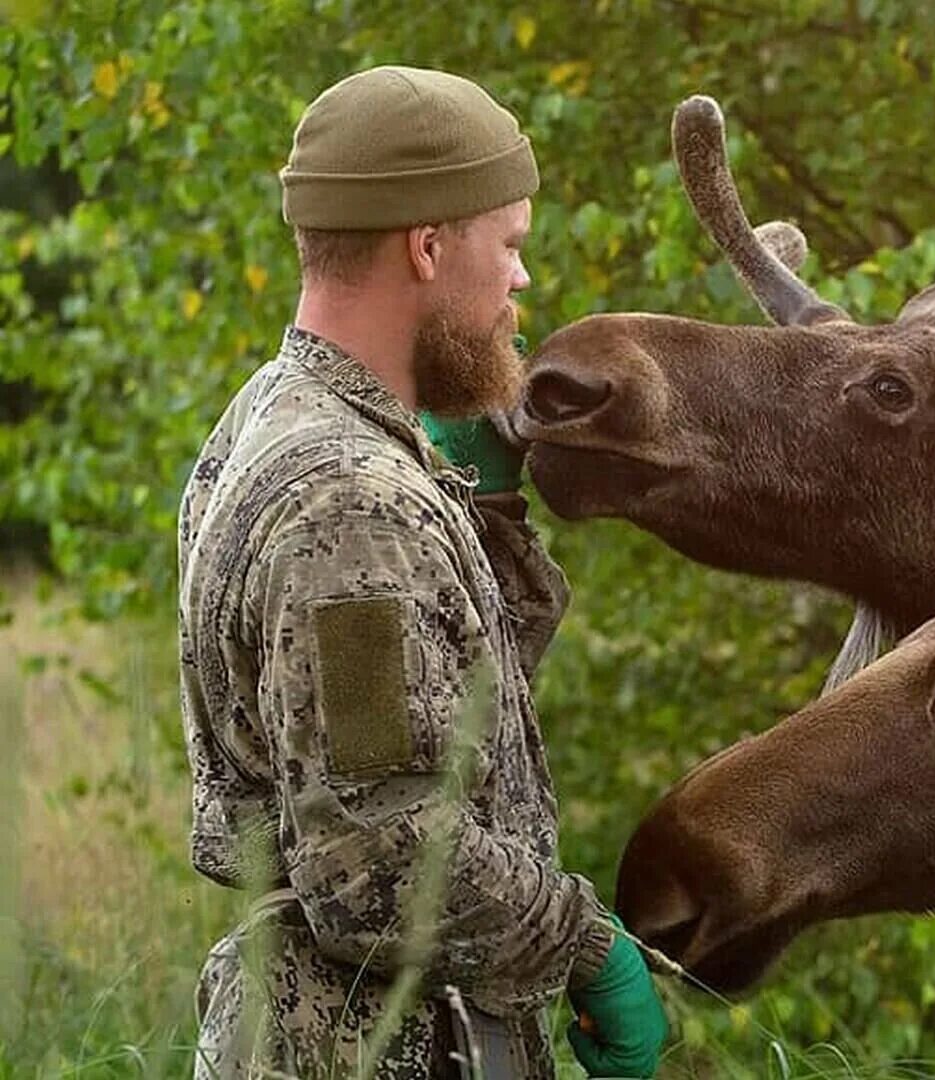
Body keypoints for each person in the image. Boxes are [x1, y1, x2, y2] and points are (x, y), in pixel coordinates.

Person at [178, 65, 666, 1078]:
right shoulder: (353, 502)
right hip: (376, 1050)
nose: (521, 282)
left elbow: (429, 725)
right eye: (512, 246)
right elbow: (380, 854)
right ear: (430, 245)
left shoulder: (267, 420)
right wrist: (585, 945)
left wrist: (480, 516)